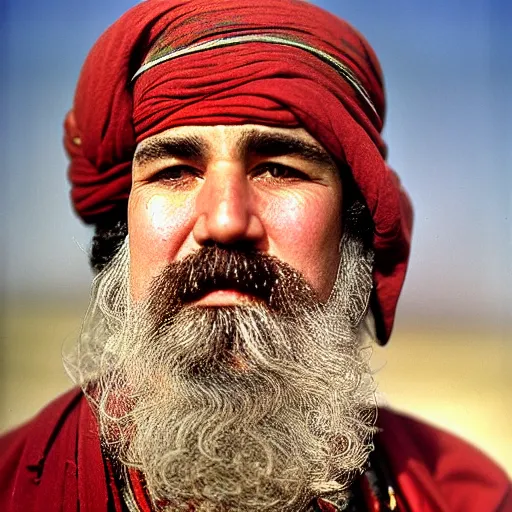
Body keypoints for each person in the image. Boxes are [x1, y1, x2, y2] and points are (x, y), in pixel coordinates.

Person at [1, 0, 510, 510]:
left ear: (350, 230)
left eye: (280, 169)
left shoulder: (463, 495)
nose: (225, 222)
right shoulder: (17, 486)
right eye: (175, 171)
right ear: (123, 230)